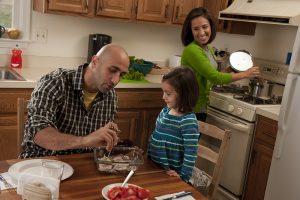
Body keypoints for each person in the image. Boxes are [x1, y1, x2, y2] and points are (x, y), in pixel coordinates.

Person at [20, 44, 129, 158]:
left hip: (81, 164)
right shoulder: (55, 82)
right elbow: (39, 134)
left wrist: (108, 138)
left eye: (121, 75)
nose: (115, 80)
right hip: (41, 162)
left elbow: (99, 146)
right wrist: (86, 140)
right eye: (112, 70)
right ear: (95, 61)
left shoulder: (111, 96)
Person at [181, 7, 260, 121]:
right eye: (196, 29)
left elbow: (210, 78)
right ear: (191, 31)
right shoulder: (192, 50)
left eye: (205, 27)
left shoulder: (208, 48)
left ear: (211, 27)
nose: (202, 32)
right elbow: (216, 78)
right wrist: (246, 74)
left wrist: (228, 70)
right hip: (190, 109)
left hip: (200, 106)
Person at [147, 67, 200, 183]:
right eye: (163, 92)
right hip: (154, 169)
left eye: (168, 94)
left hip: (171, 177)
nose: (163, 97)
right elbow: (155, 138)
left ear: (184, 94)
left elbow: (191, 153)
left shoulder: (188, 121)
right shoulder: (164, 112)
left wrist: (182, 177)